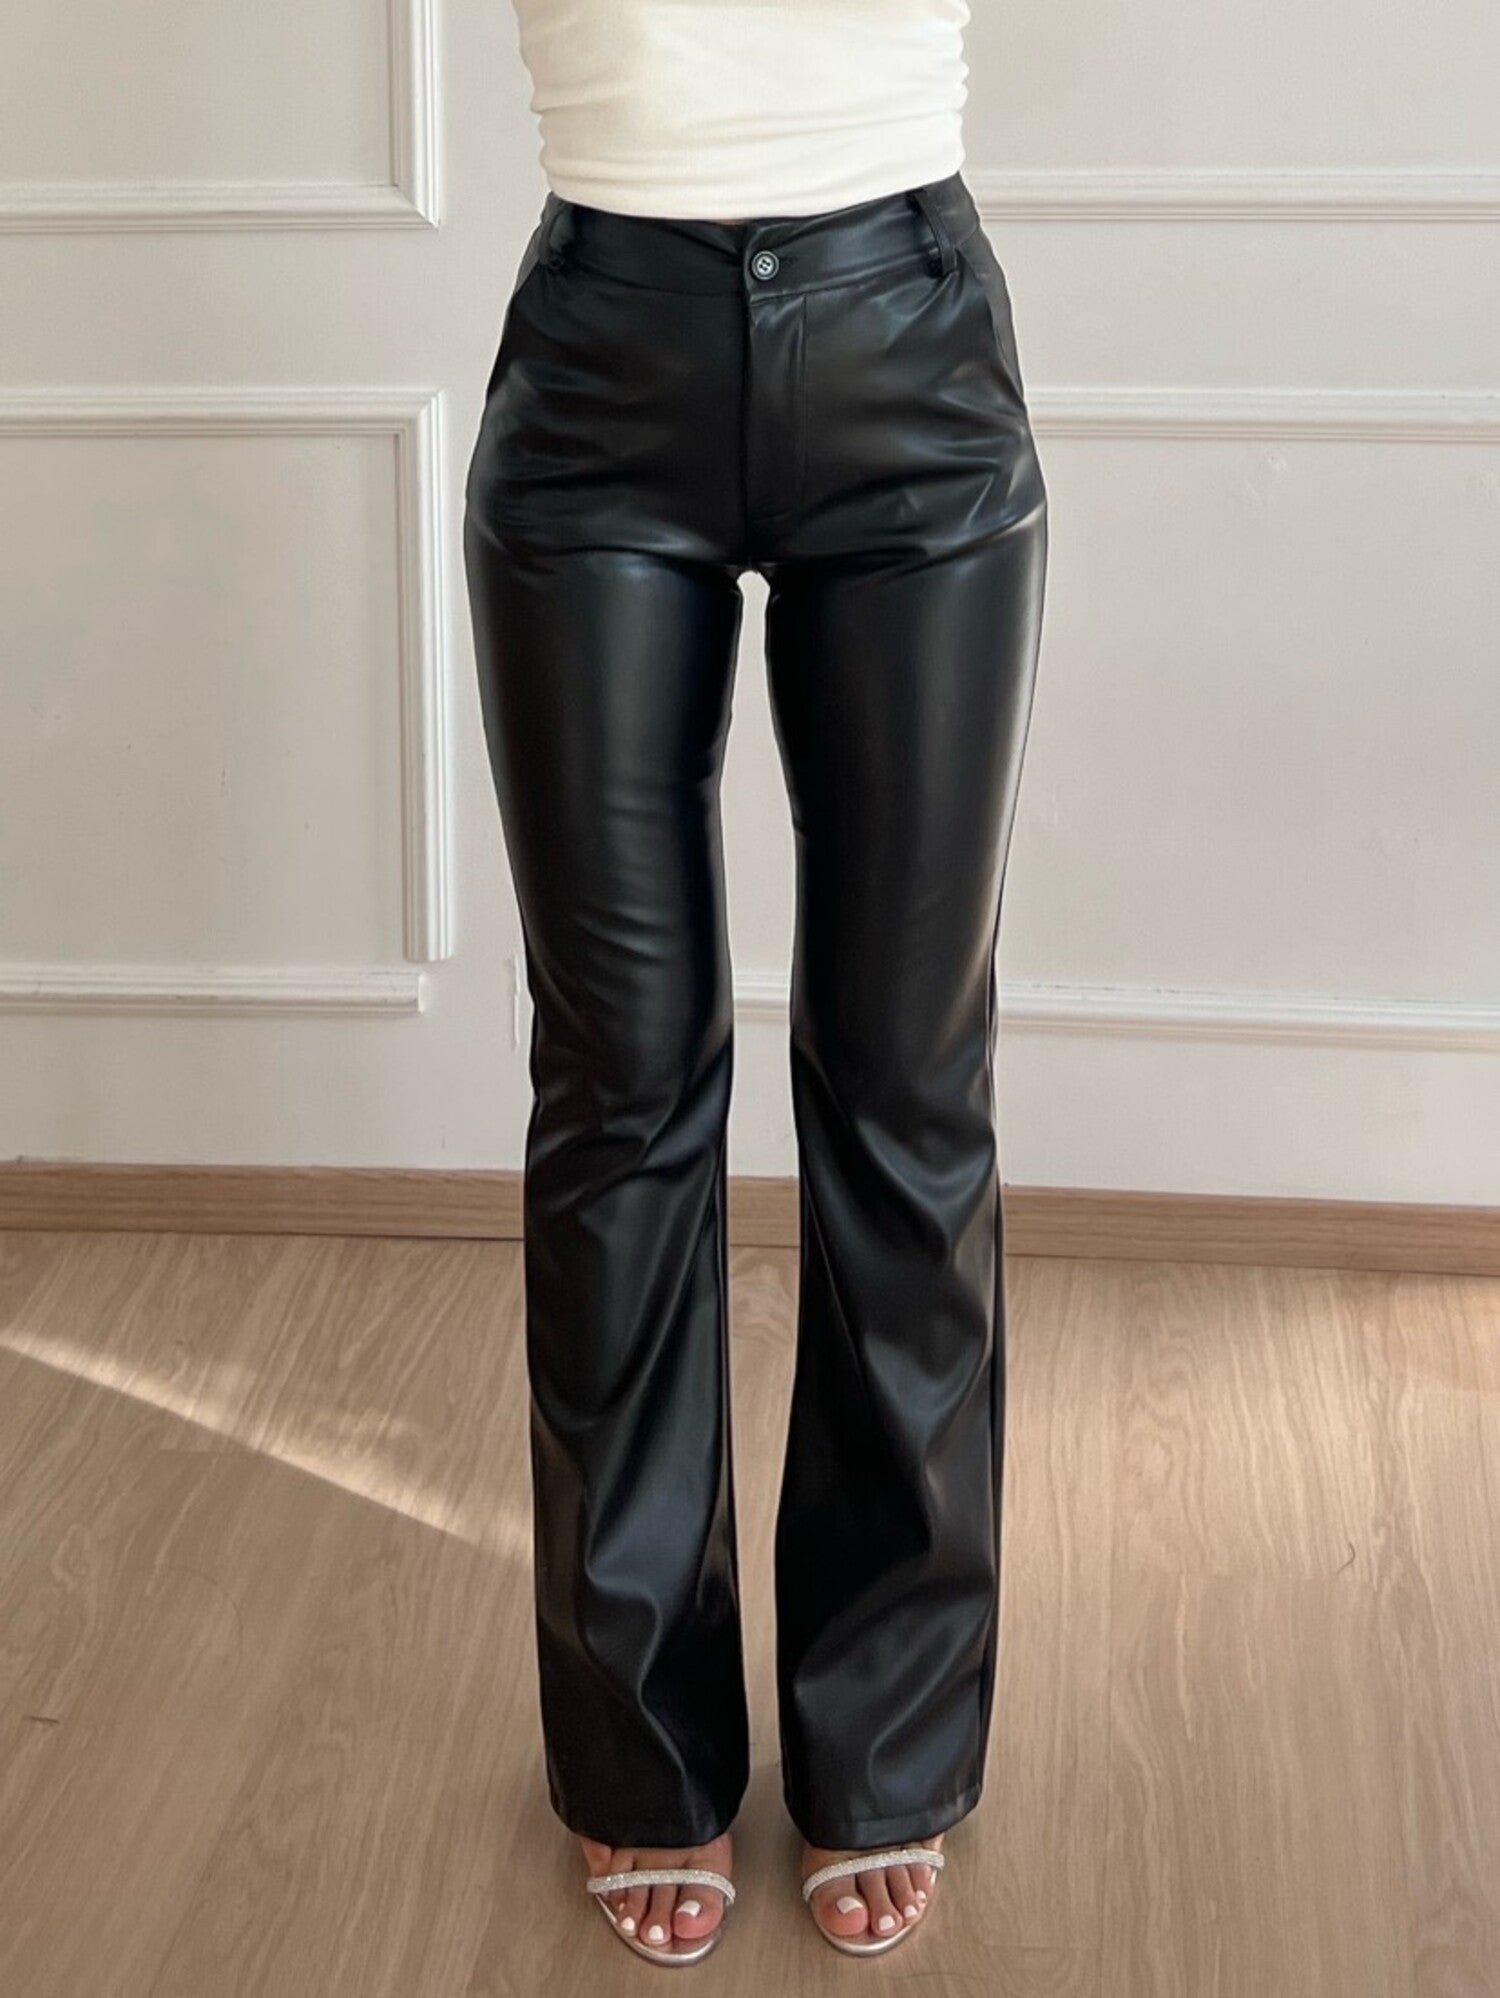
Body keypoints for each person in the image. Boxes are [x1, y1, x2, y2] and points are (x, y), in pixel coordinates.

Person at [463, 0, 1047, 1966]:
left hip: (910, 346)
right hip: (600, 358)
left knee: (905, 1083)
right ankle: (643, 1753)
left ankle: (887, 1739)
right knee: (619, 1088)